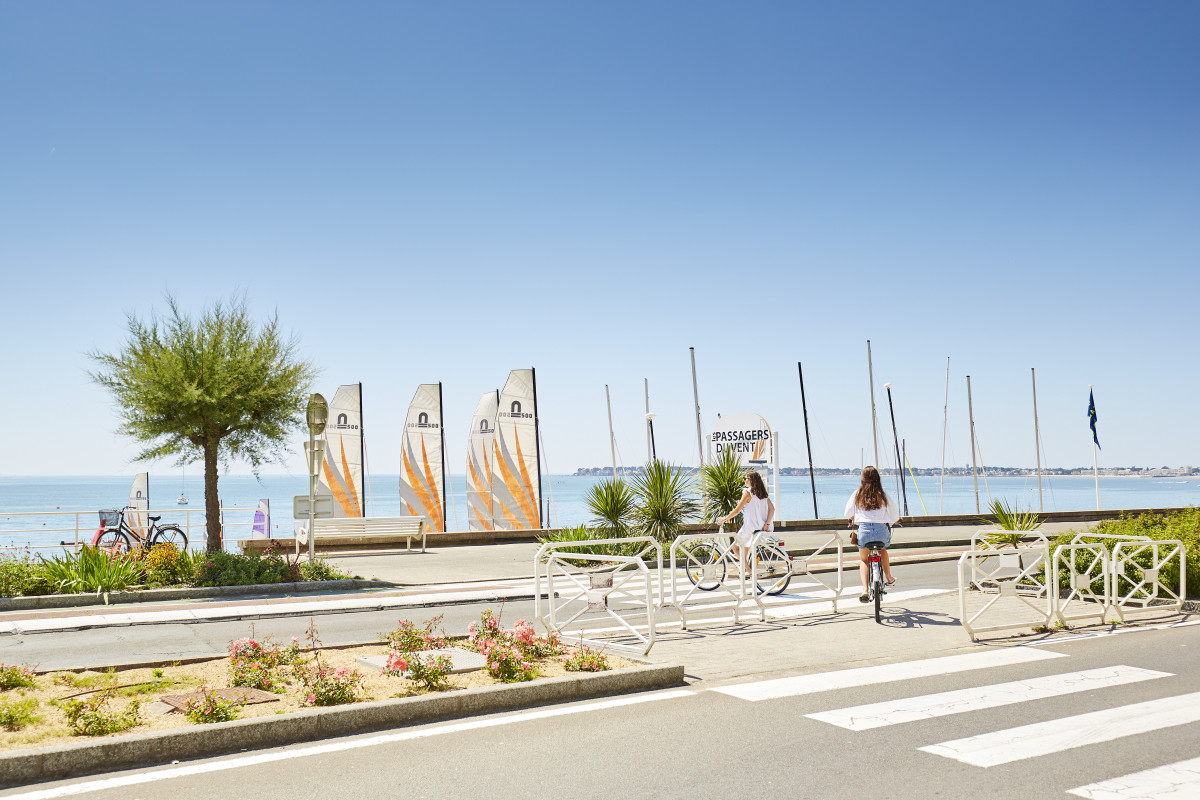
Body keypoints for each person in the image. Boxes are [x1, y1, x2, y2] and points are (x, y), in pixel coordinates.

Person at [844, 466, 900, 603]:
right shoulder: (883, 495)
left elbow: (847, 513)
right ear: (878, 479)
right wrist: (895, 520)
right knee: (883, 550)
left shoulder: (857, 494)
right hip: (881, 531)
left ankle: (865, 590)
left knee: (864, 560)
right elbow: (894, 515)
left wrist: (854, 517)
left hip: (864, 532)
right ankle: (889, 577)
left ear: (862, 479)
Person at [718, 470, 775, 573]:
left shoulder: (748, 492)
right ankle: (745, 568)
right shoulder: (763, 494)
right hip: (761, 527)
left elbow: (737, 510)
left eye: (746, 478)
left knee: (735, 548)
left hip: (749, 527)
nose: (744, 480)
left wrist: (724, 518)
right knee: (744, 548)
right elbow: (772, 509)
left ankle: (750, 572)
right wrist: (767, 524)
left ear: (751, 480)